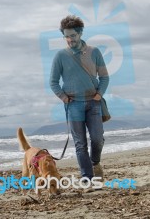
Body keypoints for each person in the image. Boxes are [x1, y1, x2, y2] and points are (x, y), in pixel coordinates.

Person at [50, 15, 109, 182]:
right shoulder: (60, 56)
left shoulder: (94, 52)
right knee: (80, 144)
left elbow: (104, 77)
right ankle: (87, 177)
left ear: (80, 33)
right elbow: (53, 82)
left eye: (72, 36)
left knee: (97, 139)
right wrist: (63, 97)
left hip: (93, 102)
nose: (69, 40)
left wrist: (99, 94)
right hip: (73, 104)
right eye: (66, 37)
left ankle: (95, 163)